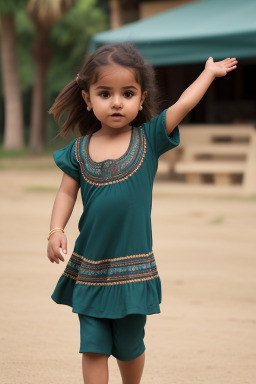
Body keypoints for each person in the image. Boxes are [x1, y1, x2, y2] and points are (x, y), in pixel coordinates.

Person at [47, 42, 237, 384]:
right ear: (88, 99)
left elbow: (183, 105)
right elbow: (65, 192)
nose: (117, 102)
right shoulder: (77, 151)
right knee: (92, 346)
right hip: (90, 267)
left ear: (142, 99)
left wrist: (208, 74)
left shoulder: (149, 139)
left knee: (129, 345)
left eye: (128, 93)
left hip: (133, 271)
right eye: (105, 93)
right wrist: (55, 229)